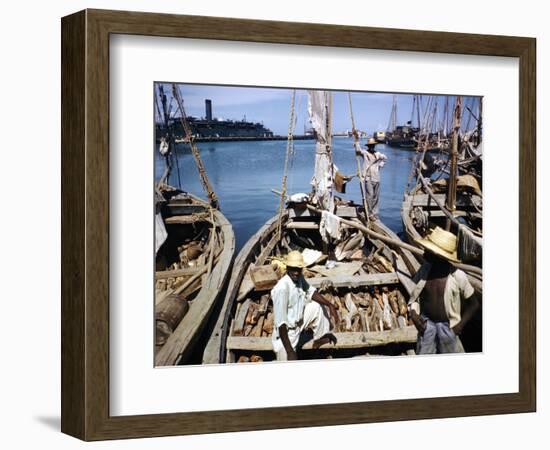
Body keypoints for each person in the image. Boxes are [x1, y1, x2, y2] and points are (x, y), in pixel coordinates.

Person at [408, 226, 479, 354]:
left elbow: (474, 304)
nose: (424, 252)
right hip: (426, 324)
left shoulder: (458, 276)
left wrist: (460, 325)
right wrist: (413, 313)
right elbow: (415, 297)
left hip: (448, 326)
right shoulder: (425, 270)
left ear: (437, 255)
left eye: (428, 250)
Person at [271, 251, 338, 361]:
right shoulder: (282, 289)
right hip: (287, 333)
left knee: (317, 307)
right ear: (287, 267)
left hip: (299, 323)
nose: (296, 272)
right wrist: (290, 351)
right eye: (293, 269)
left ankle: (318, 339)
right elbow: (281, 324)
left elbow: (311, 292)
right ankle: (288, 350)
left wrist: (330, 305)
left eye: (299, 269)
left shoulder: (298, 278)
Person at [354, 136, 387, 221]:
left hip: (377, 178)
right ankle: (369, 213)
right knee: (370, 196)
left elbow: (385, 158)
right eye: (370, 145)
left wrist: (380, 165)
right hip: (368, 178)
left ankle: (375, 213)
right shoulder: (365, 153)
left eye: (373, 145)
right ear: (368, 146)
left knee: (376, 197)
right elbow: (358, 151)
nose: (372, 147)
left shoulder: (378, 154)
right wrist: (357, 141)